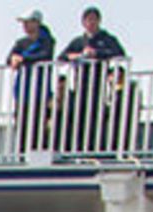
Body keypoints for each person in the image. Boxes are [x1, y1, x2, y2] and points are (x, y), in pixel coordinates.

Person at [60, 6, 126, 150]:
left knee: (96, 115)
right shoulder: (79, 41)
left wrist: (97, 53)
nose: (91, 23)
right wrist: (75, 56)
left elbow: (120, 53)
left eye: (94, 19)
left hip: (98, 83)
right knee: (79, 115)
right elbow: (61, 57)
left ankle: (95, 147)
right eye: (88, 20)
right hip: (80, 84)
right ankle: (78, 147)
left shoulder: (107, 38)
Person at [8, 9, 57, 152]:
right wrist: (14, 59)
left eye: (28, 22)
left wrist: (23, 59)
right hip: (23, 91)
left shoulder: (47, 40)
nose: (25, 26)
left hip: (39, 90)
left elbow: (45, 55)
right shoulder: (21, 43)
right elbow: (9, 58)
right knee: (22, 124)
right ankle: (22, 154)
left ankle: (37, 152)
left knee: (37, 124)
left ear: (37, 23)